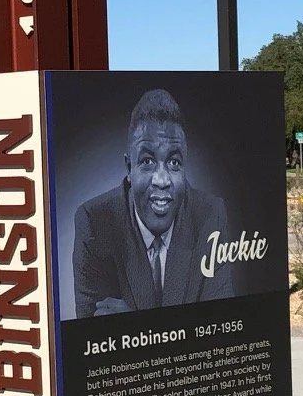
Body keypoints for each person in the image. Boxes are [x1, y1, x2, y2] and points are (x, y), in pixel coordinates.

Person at [72, 88, 232, 317]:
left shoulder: (210, 214)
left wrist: (135, 321)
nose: (162, 180)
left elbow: (221, 321)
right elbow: (93, 337)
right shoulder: (95, 222)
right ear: (129, 168)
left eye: (174, 162)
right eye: (147, 161)